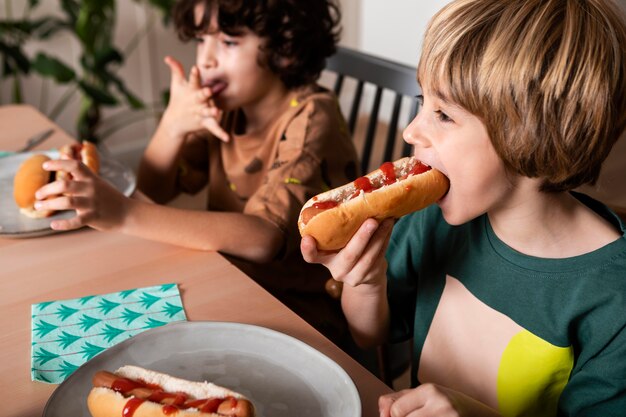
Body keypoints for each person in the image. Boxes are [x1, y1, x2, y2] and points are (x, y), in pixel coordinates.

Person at [301, 0, 626, 415]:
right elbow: (371, 333)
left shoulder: (612, 300)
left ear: (533, 133)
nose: (410, 129)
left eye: (443, 114)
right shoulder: (433, 218)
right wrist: (364, 281)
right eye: (423, 100)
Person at [34, 0, 358, 346]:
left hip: (299, 309)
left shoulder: (311, 118)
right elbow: (154, 190)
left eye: (228, 42)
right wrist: (172, 126)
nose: (205, 59)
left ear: (286, 47)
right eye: (202, 40)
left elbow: (263, 238)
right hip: (232, 278)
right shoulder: (225, 108)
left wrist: (125, 213)